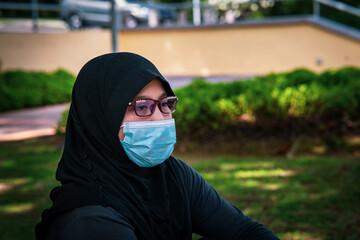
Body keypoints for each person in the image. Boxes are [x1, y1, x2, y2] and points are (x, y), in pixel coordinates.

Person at [36, 52, 279, 240]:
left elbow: (245, 232)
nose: (160, 117)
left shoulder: (172, 175)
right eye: (141, 107)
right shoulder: (90, 219)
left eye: (165, 103)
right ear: (99, 118)